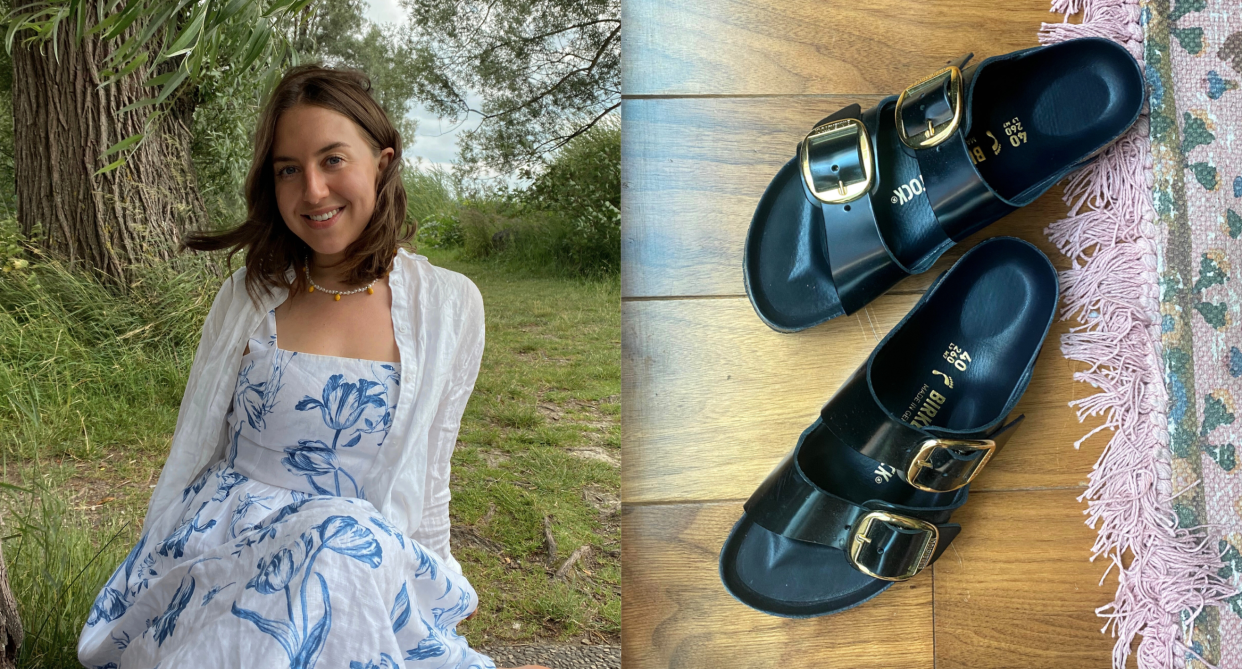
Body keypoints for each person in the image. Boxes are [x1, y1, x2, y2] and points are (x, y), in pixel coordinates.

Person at [77, 64, 547, 669]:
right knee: (331, 536)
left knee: (337, 538)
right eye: (289, 170)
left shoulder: (449, 305)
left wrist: (436, 574)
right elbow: (193, 443)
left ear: (382, 161)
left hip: (357, 559)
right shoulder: (247, 298)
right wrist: (149, 562)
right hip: (232, 548)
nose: (313, 192)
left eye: (332, 160)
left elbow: (432, 466)